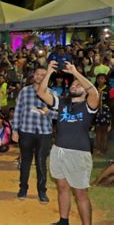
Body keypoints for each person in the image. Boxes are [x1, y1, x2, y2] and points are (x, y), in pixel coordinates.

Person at [37, 61, 99, 225]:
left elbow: (94, 91)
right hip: (58, 151)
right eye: (73, 84)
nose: (74, 85)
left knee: (80, 194)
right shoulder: (63, 102)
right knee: (62, 187)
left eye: (78, 85)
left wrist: (76, 74)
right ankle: (63, 221)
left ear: (84, 91)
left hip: (78, 154)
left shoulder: (88, 105)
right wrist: (49, 72)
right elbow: (41, 92)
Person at [12, 67, 56, 204]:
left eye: (44, 74)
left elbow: (58, 114)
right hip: (26, 130)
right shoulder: (25, 92)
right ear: (33, 75)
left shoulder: (52, 94)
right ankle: (23, 189)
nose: (40, 76)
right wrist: (14, 130)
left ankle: (42, 191)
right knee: (25, 161)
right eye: (38, 74)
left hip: (44, 133)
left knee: (41, 163)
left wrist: (47, 112)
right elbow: (18, 111)